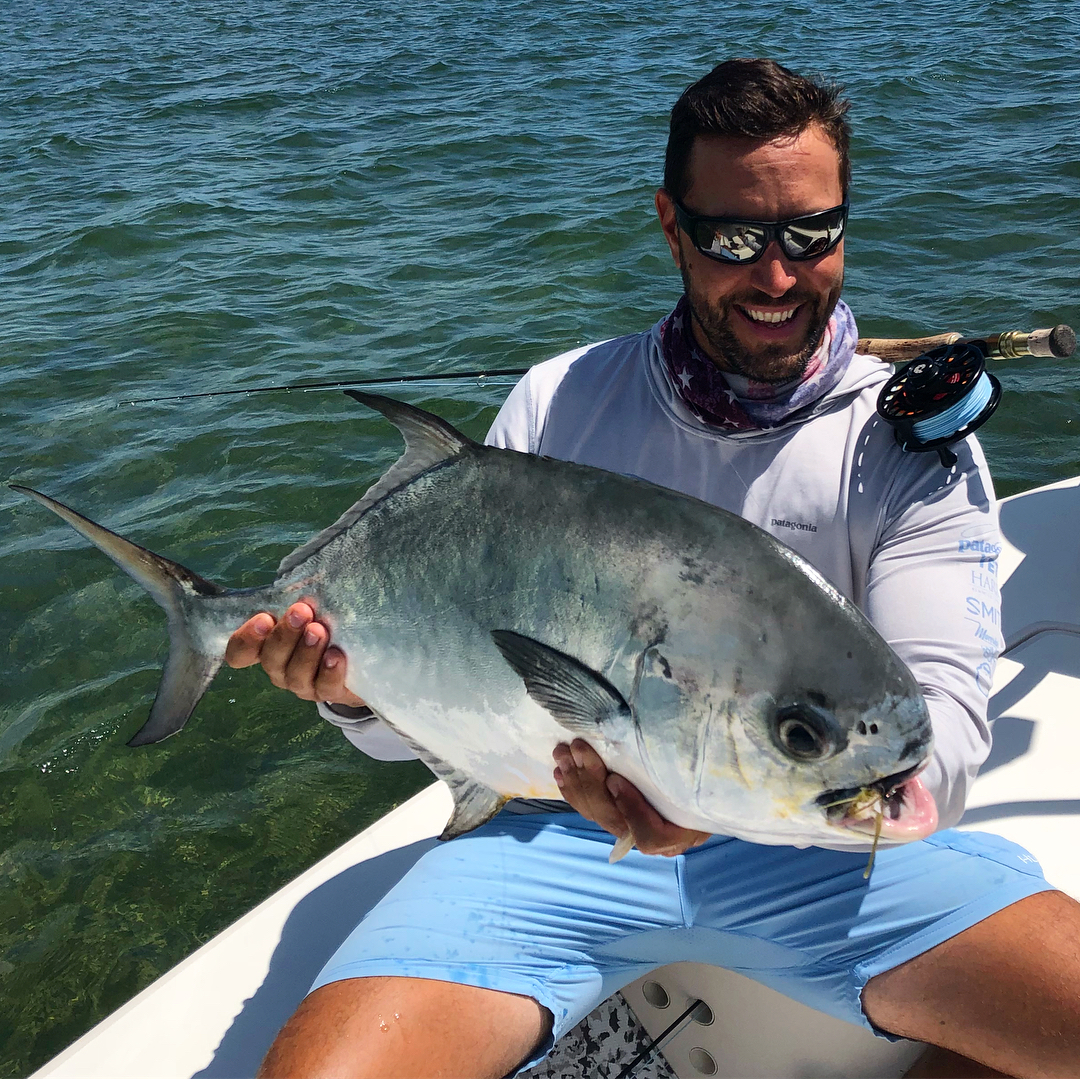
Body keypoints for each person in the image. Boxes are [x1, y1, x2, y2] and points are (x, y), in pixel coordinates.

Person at [227, 59, 1080, 1078]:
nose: (777, 276)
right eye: (733, 239)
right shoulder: (557, 405)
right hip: (553, 836)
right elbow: (456, 707)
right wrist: (350, 695)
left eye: (812, 233)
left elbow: (938, 732)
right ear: (671, 226)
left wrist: (806, 804)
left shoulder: (905, 445)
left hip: (824, 850)